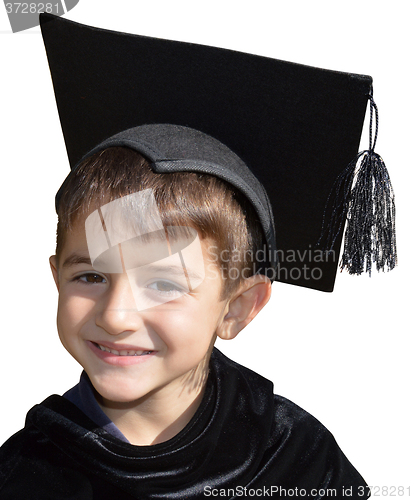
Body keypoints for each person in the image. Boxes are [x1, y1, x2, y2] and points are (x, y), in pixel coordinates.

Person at [1, 13, 396, 499]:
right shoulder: (24, 473)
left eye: (163, 283)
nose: (118, 316)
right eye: (90, 276)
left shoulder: (295, 460)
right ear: (56, 278)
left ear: (236, 307)